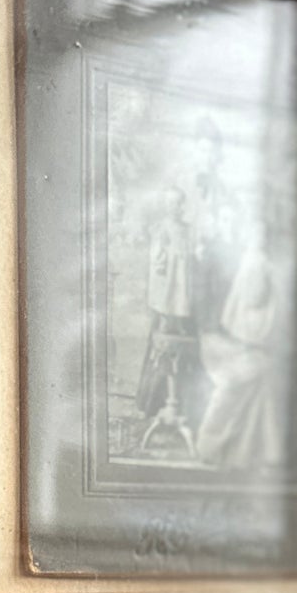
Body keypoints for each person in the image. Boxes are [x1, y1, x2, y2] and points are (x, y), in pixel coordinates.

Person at [195, 225, 289, 473]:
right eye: (261, 235)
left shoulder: (258, 259)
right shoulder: (256, 261)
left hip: (253, 334)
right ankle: (210, 446)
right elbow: (254, 297)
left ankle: (249, 453)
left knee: (259, 392)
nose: (265, 238)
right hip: (246, 334)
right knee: (236, 389)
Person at [133, 184, 205, 455]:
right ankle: (155, 404)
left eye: (177, 202)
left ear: (182, 205)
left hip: (186, 304)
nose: (174, 207)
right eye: (169, 203)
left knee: (187, 354)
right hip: (166, 302)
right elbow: (158, 266)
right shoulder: (161, 230)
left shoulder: (189, 231)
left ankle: (187, 408)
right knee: (163, 353)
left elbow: (196, 261)